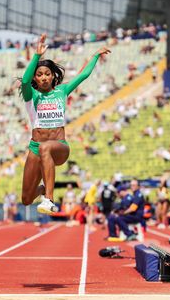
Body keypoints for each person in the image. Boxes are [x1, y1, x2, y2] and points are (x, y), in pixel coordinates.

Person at [20, 33, 110, 214]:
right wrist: (37, 55)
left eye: (47, 74)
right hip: (35, 147)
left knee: (46, 147)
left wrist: (95, 56)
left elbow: (83, 74)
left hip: (59, 146)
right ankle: (44, 190)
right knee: (26, 199)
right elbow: (24, 81)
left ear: (53, 76)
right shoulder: (32, 96)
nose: (44, 77)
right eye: (39, 75)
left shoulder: (62, 91)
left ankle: (49, 200)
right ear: (35, 79)